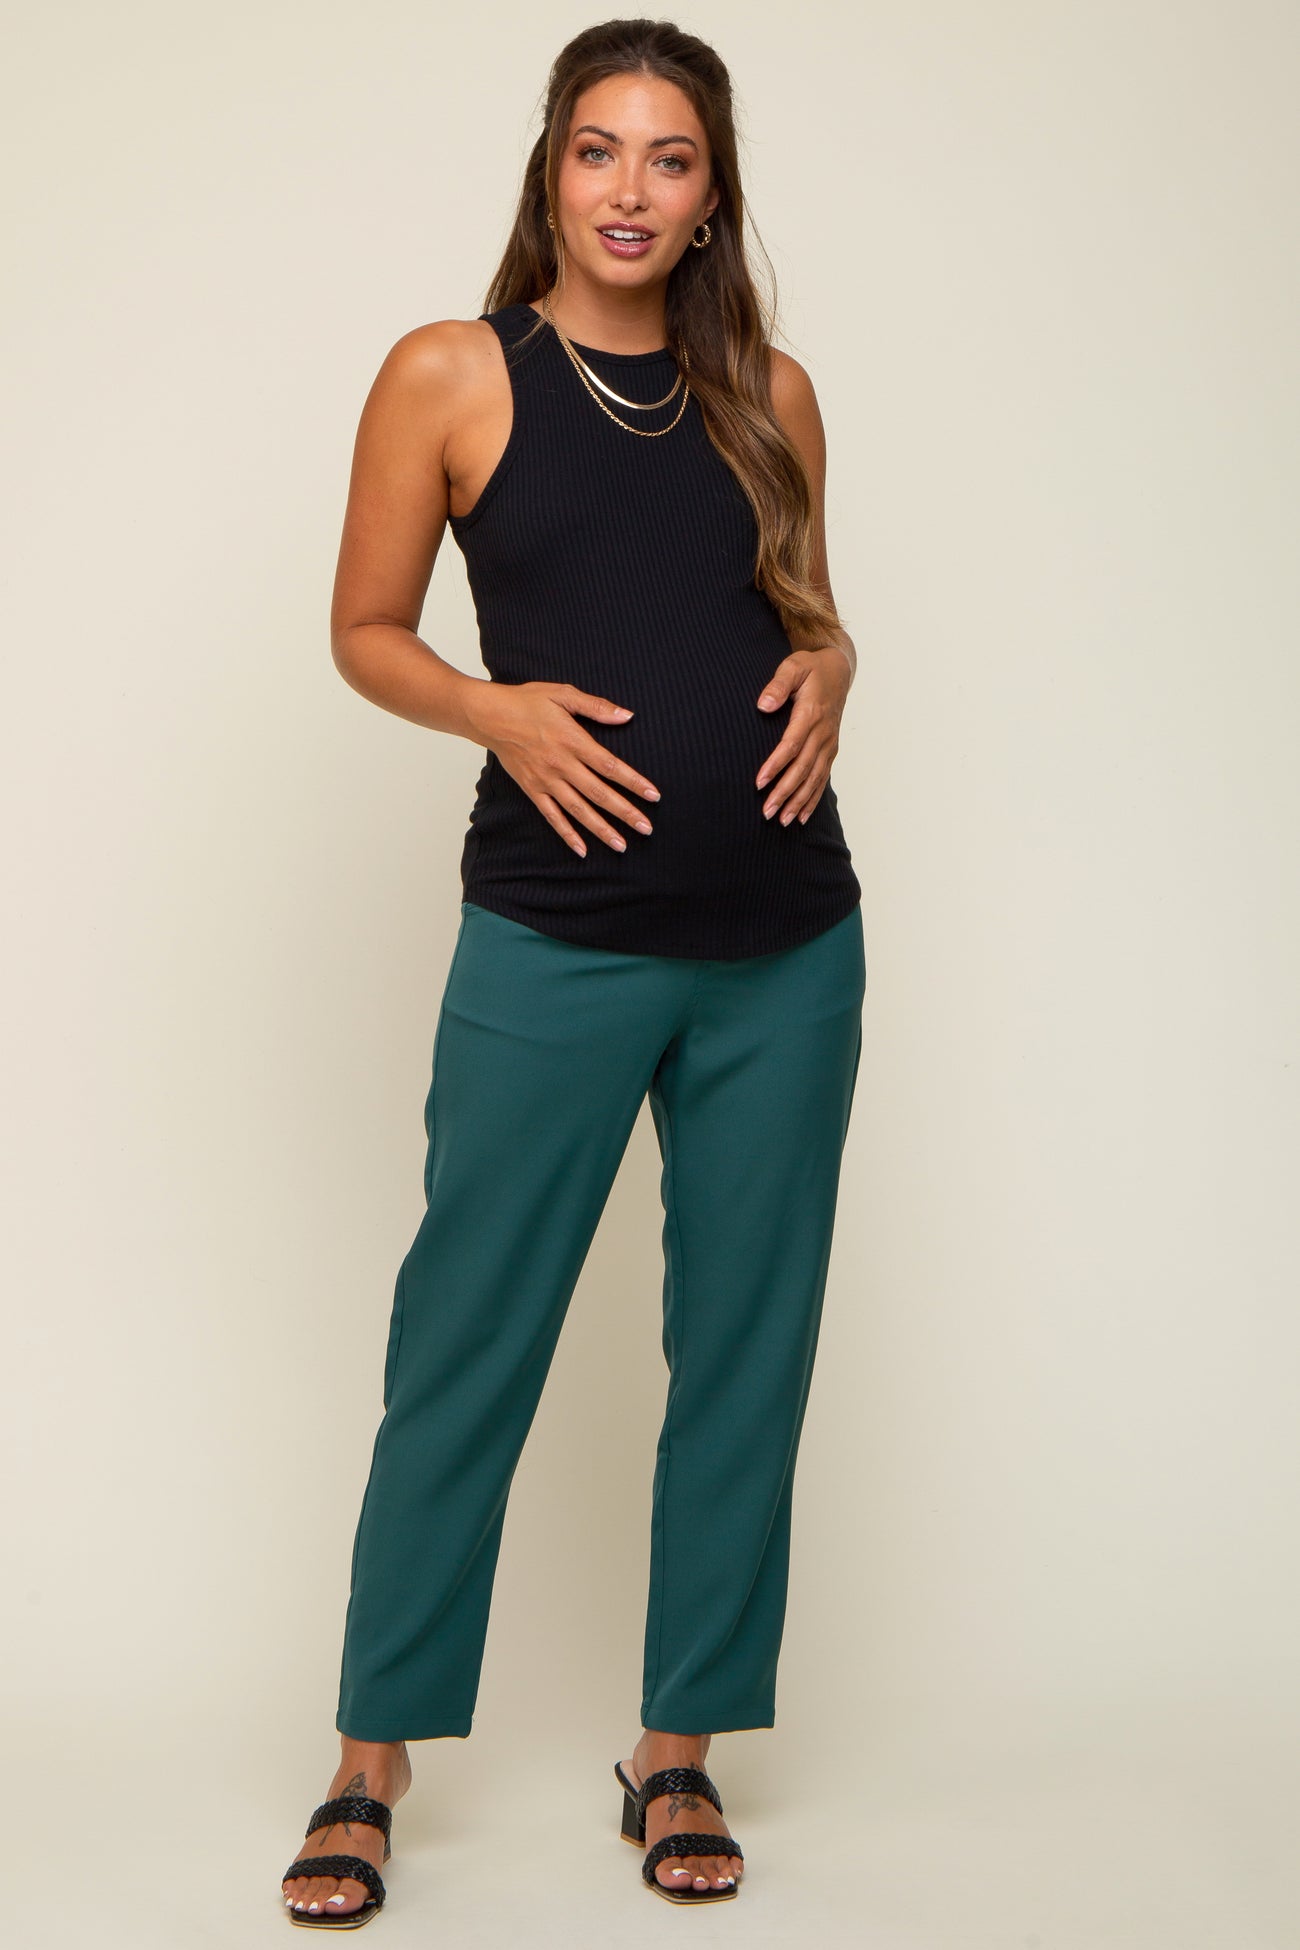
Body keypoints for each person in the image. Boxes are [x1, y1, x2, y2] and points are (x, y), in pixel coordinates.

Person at [280, 16, 866, 1926]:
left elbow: (804, 617)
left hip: (788, 943)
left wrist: (841, 660)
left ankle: (675, 1746)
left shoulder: (769, 390)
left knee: (747, 1355)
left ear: (711, 197)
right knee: (466, 1338)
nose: (630, 188)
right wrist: (496, 710)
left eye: (669, 159)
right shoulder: (452, 373)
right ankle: (370, 1754)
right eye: (599, 150)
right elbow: (368, 627)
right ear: (551, 167)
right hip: (554, 935)